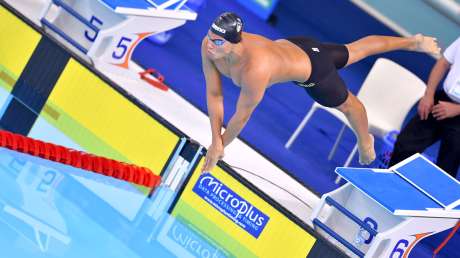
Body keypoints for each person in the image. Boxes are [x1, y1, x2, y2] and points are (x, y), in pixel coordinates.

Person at [201, 12, 440, 172]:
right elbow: (214, 94)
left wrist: (219, 146)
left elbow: (242, 116)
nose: (211, 44)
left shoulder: (255, 70)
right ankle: (412, 42)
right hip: (298, 45)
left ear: (235, 43)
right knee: (354, 50)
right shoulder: (209, 45)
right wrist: (216, 143)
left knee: (351, 106)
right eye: (211, 38)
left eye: (218, 42)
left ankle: (365, 140)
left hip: (313, 70)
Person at [389, 36, 460, 178]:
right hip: (442, 100)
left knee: (447, 169)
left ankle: (435, 198)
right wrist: (429, 95)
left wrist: (457, 109)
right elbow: (443, 63)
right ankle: (388, 182)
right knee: (405, 144)